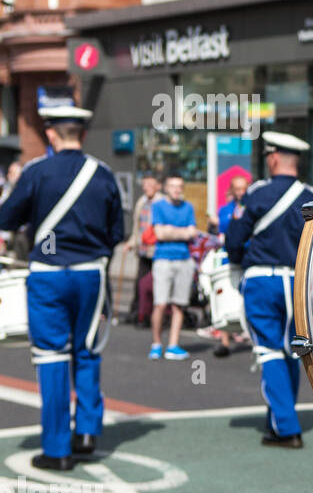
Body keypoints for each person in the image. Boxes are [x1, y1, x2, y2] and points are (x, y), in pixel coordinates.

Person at [0, 107, 122, 469]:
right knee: (86, 350)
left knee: (52, 357)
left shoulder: (37, 171)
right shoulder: (102, 174)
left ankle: (57, 449)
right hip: (91, 273)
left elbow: (6, 219)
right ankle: (86, 430)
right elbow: (118, 232)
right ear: (82, 135)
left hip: (49, 274)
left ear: (51, 135)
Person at [225, 132, 313, 449]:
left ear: (274, 158)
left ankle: (287, 427)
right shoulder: (311, 195)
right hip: (297, 281)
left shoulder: (257, 192)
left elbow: (235, 236)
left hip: (262, 279)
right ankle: (278, 419)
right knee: (290, 351)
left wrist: (235, 265)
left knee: (268, 351)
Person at [149, 175, 199, 360]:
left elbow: (192, 232)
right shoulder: (158, 206)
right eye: (173, 186)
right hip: (163, 260)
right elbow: (160, 234)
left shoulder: (188, 207)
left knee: (179, 304)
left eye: (180, 186)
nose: (177, 190)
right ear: (165, 188)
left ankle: (173, 345)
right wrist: (182, 232)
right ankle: (156, 344)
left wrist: (172, 231)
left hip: (184, 259)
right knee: (160, 304)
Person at [210, 174, 249, 358]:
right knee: (226, 294)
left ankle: (251, 335)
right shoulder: (225, 210)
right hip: (229, 256)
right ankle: (224, 340)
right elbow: (224, 231)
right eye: (237, 189)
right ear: (232, 191)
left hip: (249, 257)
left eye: (244, 188)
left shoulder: (252, 207)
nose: (241, 192)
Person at [128, 173, 160, 325]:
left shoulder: (162, 202)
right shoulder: (141, 202)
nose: (146, 188)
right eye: (145, 185)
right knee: (140, 282)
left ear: (157, 186)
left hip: (157, 250)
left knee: (154, 284)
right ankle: (138, 312)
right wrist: (131, 242)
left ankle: (152, 314)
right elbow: (137, 227)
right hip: (143, 249)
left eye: (150, 185)